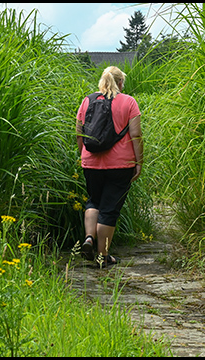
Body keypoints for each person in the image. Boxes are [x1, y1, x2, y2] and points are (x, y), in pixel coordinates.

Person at [76, 66, 143, 267]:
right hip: (120, 165)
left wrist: (83, 156)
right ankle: (102, 257)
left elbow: (80, 133)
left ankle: (89, 238)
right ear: (120, 82)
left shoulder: (87, 100)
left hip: (91, 162)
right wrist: (139, 162)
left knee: (93, 201)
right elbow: (136, 134)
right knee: (109, 208)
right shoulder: (129, 101)